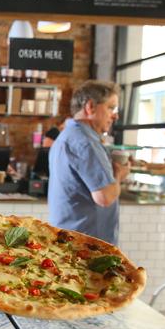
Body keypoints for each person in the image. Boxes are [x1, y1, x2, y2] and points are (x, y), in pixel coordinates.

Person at [48, 80, 130, 245]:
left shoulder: (67, 135)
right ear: (90, 107)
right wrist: (119, 175)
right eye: (110, 107)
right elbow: (104, 197)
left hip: (70, 238)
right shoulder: (85, 142)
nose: (115, 115)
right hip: (86, 245)